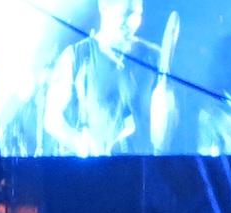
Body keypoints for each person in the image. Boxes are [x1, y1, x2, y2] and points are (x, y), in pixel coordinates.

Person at [41, 0, 179, 156]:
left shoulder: (154, 57)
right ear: (104, 6)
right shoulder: (76, 55)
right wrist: (80, 145)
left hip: (140, 167)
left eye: (137, 14)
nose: (132, 22)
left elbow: (167, 123)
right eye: (125, 14)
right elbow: (52, 119)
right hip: (96, 168)